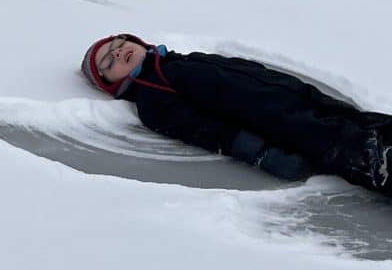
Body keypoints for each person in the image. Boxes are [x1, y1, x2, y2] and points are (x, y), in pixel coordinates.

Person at [81, 34, 391, 192]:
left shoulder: (180, 61)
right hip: (286, 126)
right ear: (113, 84)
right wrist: (263, 155)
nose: (118, 52)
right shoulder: (152, 97)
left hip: (301, 100)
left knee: (373, 127)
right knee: (369, 154)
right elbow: (205, 131)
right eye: (109, 62)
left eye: (118, 44)